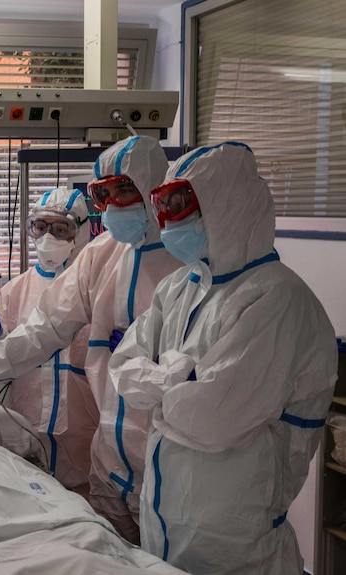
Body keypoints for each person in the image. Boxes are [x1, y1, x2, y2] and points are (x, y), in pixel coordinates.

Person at [0, 135, 182, 544]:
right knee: (102, 556)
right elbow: (45, 328)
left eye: (125, 188)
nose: (115, 201)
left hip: (166, 454)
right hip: (108, 453)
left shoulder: (187, 262)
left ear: (154, 188)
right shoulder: (101, 256)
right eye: (104, 192)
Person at [108, 142, 338, 574]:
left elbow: (213, 418)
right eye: (164, 204)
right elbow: (122, 369)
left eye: (181, 203)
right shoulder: (179, 288)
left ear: (226, 203)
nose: (167, 219)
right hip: (165, 521)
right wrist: (180, 379)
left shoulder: (278, 298)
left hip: (237, 540)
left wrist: (157, 384)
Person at [0, 187, 96, 495]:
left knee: (86, 509)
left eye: (61, 229)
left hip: (83, 428)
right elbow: (2, 355)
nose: (48, 237)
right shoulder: (14, 290)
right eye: (40, 226)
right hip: (26, 423)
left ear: (81, 231)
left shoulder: (96, 289)